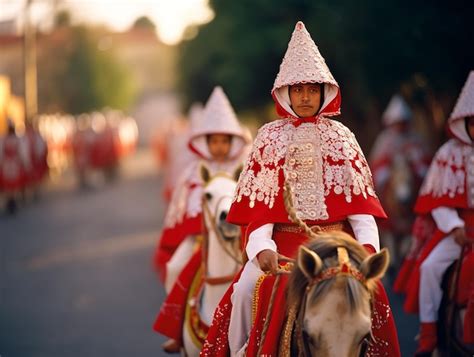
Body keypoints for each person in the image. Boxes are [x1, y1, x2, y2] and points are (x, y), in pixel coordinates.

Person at [201, 21, 400, 357]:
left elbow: (362, 213)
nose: (305, 97)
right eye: (298, 89)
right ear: (285, 93)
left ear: (324, 91)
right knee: (245, 289)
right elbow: (260, 214)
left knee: (373, 298)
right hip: (281, 249)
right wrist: (260, 250)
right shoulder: (268, 138)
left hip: (338, 251)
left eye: (312, 89)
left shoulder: (343, 138)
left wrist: (364, 252)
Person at [153, 86, 251, 353]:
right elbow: (183, 208)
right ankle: (178, 329)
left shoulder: (245, 168)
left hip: (238, 238)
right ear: (205, 142)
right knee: (175, 267)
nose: (219, 146)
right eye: (214, 141)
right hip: (200, 239)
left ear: (233, 141)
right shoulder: (193, 172)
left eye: (224, 140)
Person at [394, 71, 474, 355]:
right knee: (429, 268)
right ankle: (429, 335)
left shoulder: (416, 140)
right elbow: (438, 199)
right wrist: (455, 228)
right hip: (458, 228)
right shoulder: (448, 154)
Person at [369, 95, 431, 266]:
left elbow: (423, 158)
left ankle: (422, 212)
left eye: (402, 122)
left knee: (424, 180)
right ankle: (380, 212)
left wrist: (416, 161)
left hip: (410, 173)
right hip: (392, 173)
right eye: (397, 122)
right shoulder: (385, 139)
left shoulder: (415, 137)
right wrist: (388, 166)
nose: (400, 125)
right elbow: (377, 160)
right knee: (380, 185)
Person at [0, 120, 31, 214]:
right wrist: (26, 164)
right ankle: (12, 200)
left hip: (8, 165)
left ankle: (11, 200)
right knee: (13, 184)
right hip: (14, 164)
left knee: (10, 184)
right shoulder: (15, 140)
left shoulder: (4, 139)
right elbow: (22, 153)